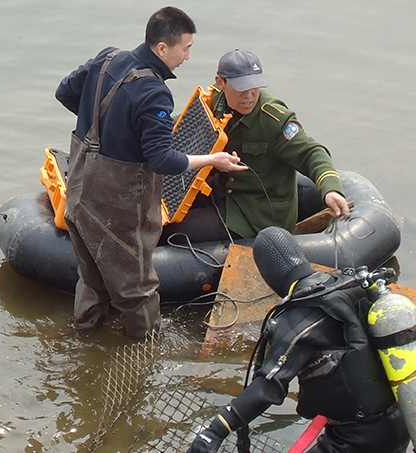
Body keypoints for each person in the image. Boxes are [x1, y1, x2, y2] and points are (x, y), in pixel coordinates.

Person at [55, 7, 246, 337]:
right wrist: (212, 160)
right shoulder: (154, 92)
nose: (187, 56)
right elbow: (162, 161)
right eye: (185, 48)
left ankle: (84, 340)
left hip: (79, 191)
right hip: (118, 208)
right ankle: (145, 355)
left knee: (91, 279)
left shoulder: (107, 59)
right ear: (162, 48)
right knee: (137, 289)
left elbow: (66, 92)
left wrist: (105, 127)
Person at [187, 226, 410, 453]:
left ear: (269, 275)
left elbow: (268, 386)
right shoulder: (343, 283)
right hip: (402, 419)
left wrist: (215, 430)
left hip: (359, 438)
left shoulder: (299, 315)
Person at [163, 49, 350, 243]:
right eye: (241, 89)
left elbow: (311, 153)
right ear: (221, 82)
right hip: (218, 191)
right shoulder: (215, 99)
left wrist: (331, 190)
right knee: (156, 218)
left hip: (255, 212)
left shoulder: (274, 120)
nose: (249, 96)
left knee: (176, 233)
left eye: (254, 88)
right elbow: (182, 124)